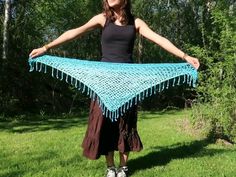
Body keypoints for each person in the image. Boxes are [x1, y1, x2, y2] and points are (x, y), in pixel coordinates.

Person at [30, 0, 200, 176]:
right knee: (104, 123)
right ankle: (110, 167)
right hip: (103, 81)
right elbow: (74, 33)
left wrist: (185, 56)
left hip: (127, 81)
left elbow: (159, 39)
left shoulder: (136, 23)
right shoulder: (102, 19)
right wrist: (46, 47)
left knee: (125, 123)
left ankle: (123, 166)